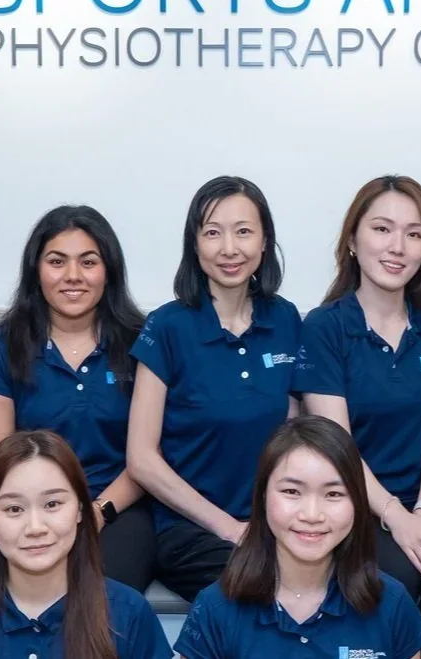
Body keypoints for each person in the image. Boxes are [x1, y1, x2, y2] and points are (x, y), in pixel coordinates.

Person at [296, 176, 421, 638]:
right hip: (355, 505)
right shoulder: (324, 327)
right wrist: (397, 518)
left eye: (414, 234)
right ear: (352, 240)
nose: (398, 247)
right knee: (398, 578)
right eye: (382, 229)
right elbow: (339, 445)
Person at [129, 175, 303, 599]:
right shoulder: (167, 326)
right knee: (269, 591)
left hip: (276, 521)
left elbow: (299, 429)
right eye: (213, 232)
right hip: (190, 530)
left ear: (265, 242)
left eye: (244, 231)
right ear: (195, 244)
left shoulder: (285, 319)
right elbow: (141, 459)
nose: (229, 248)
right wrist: (228, 528)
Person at [0, 205, 155, 588]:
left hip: (117, 503)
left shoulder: (144, 343)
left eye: (88, 262)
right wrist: (45, 510)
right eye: (57, 261)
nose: (73, 276)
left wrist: (99, 509)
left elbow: (152, 453)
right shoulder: (2, 346)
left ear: (109, 272)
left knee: (104, 590)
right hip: (27, 502)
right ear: (37, 272)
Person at [174, 416, 421, 659]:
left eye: (333, 494)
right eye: (292, 491)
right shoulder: (215, 607)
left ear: (357, 502)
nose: (312, 514)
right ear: (263, 496)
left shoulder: (392, 603)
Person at [0, 430, 170, 659]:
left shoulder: (129, 613)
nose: (35, 527)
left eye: (52, 504)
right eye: (14, 509)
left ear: (80, 511)